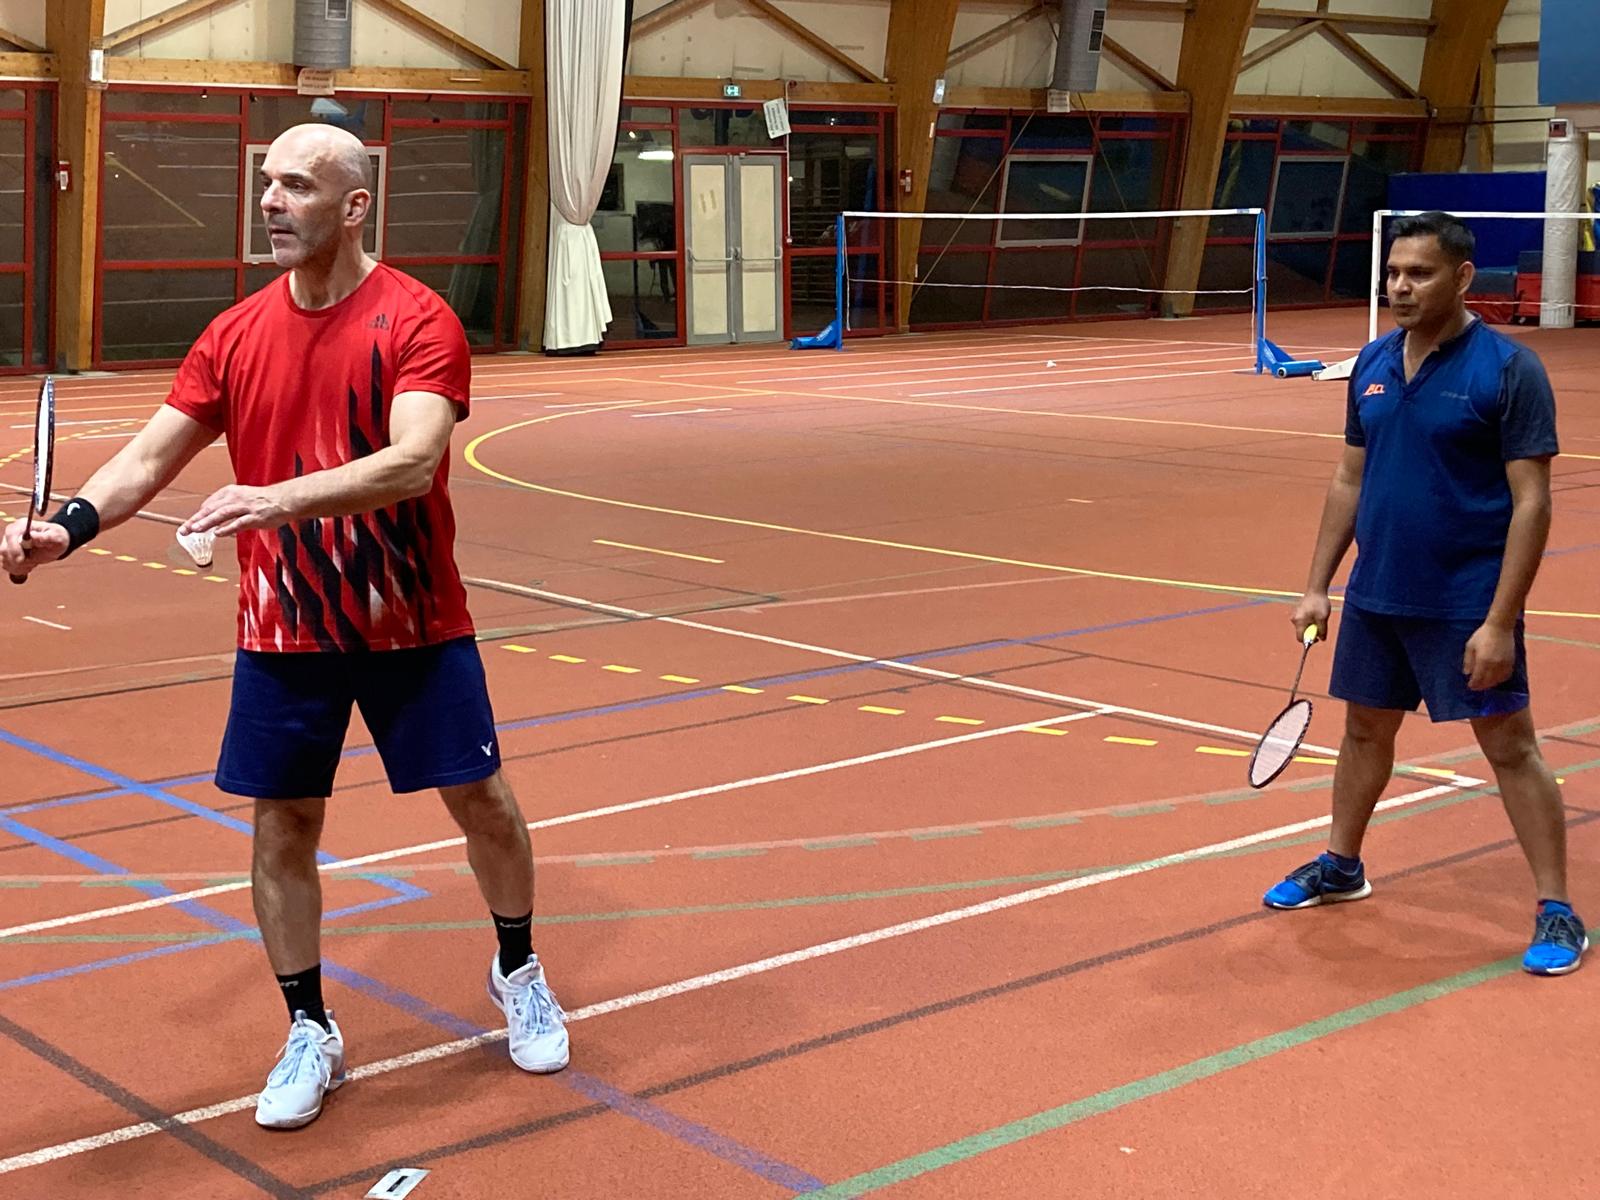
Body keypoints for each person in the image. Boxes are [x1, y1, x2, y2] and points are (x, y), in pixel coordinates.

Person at [1, 123, 570, 1127]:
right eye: (267, 182)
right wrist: (70, 527)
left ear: (354, 207)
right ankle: (310, 1027)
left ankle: (517, 967)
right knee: (284, 825)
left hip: (412, 620)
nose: (270, 201)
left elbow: (413, 461)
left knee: (481, 800)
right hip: (283, 628)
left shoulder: (417, 319)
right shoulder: (234, 334)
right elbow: (150, 456)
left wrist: (275, 499)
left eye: (297, 185)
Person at [1262, 210, 1586, 977]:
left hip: (1466, 599)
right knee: (1364, 734)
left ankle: (1557, 908)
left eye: (1420, 273)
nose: (1401, 287)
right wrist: (1317, 585)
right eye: (1394, 273)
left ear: (1462, 277)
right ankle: (1342, 865)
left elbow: (1532, 504)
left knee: (1509, 746)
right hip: (1378, 593)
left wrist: (1500, 621)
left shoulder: (1507, 371)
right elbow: (1350, 478)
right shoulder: (1373, 362)